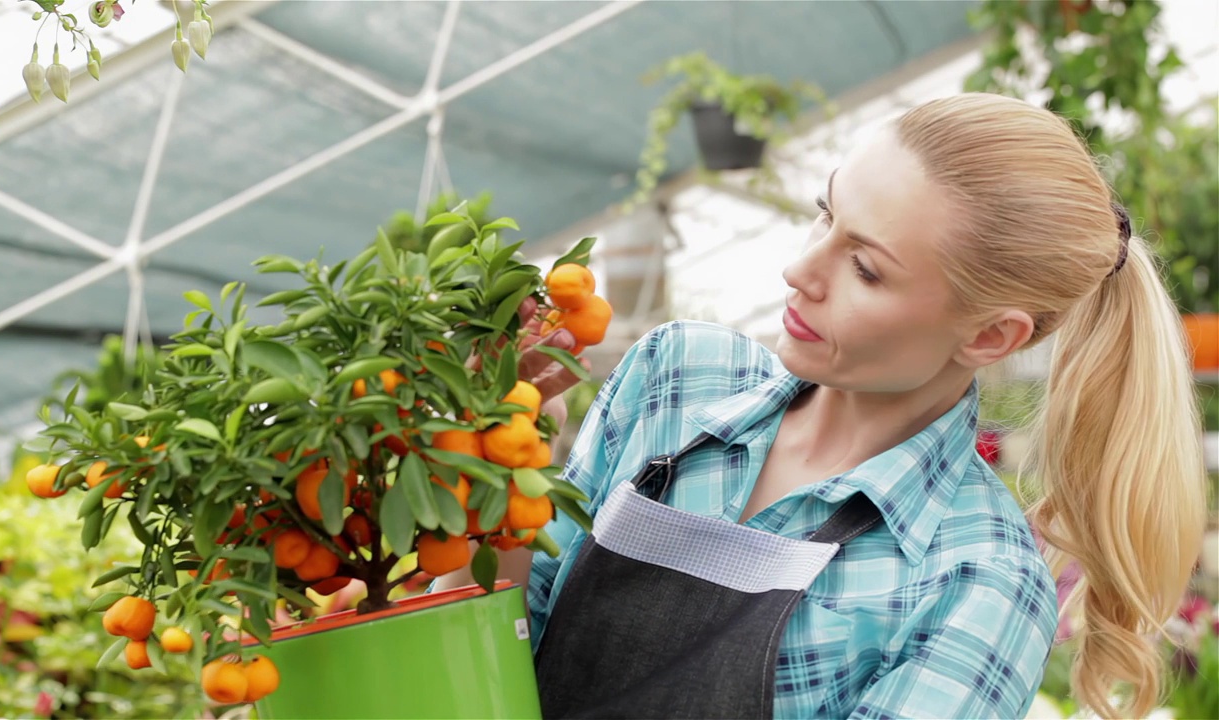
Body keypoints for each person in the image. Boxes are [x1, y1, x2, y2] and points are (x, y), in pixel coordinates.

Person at [438, 93, 1208, 719]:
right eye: (823, 211)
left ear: (988, 335)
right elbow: (490, 655)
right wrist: (500, 461)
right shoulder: (676, 380)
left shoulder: (975, 578)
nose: (800, 268)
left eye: (866, 268)